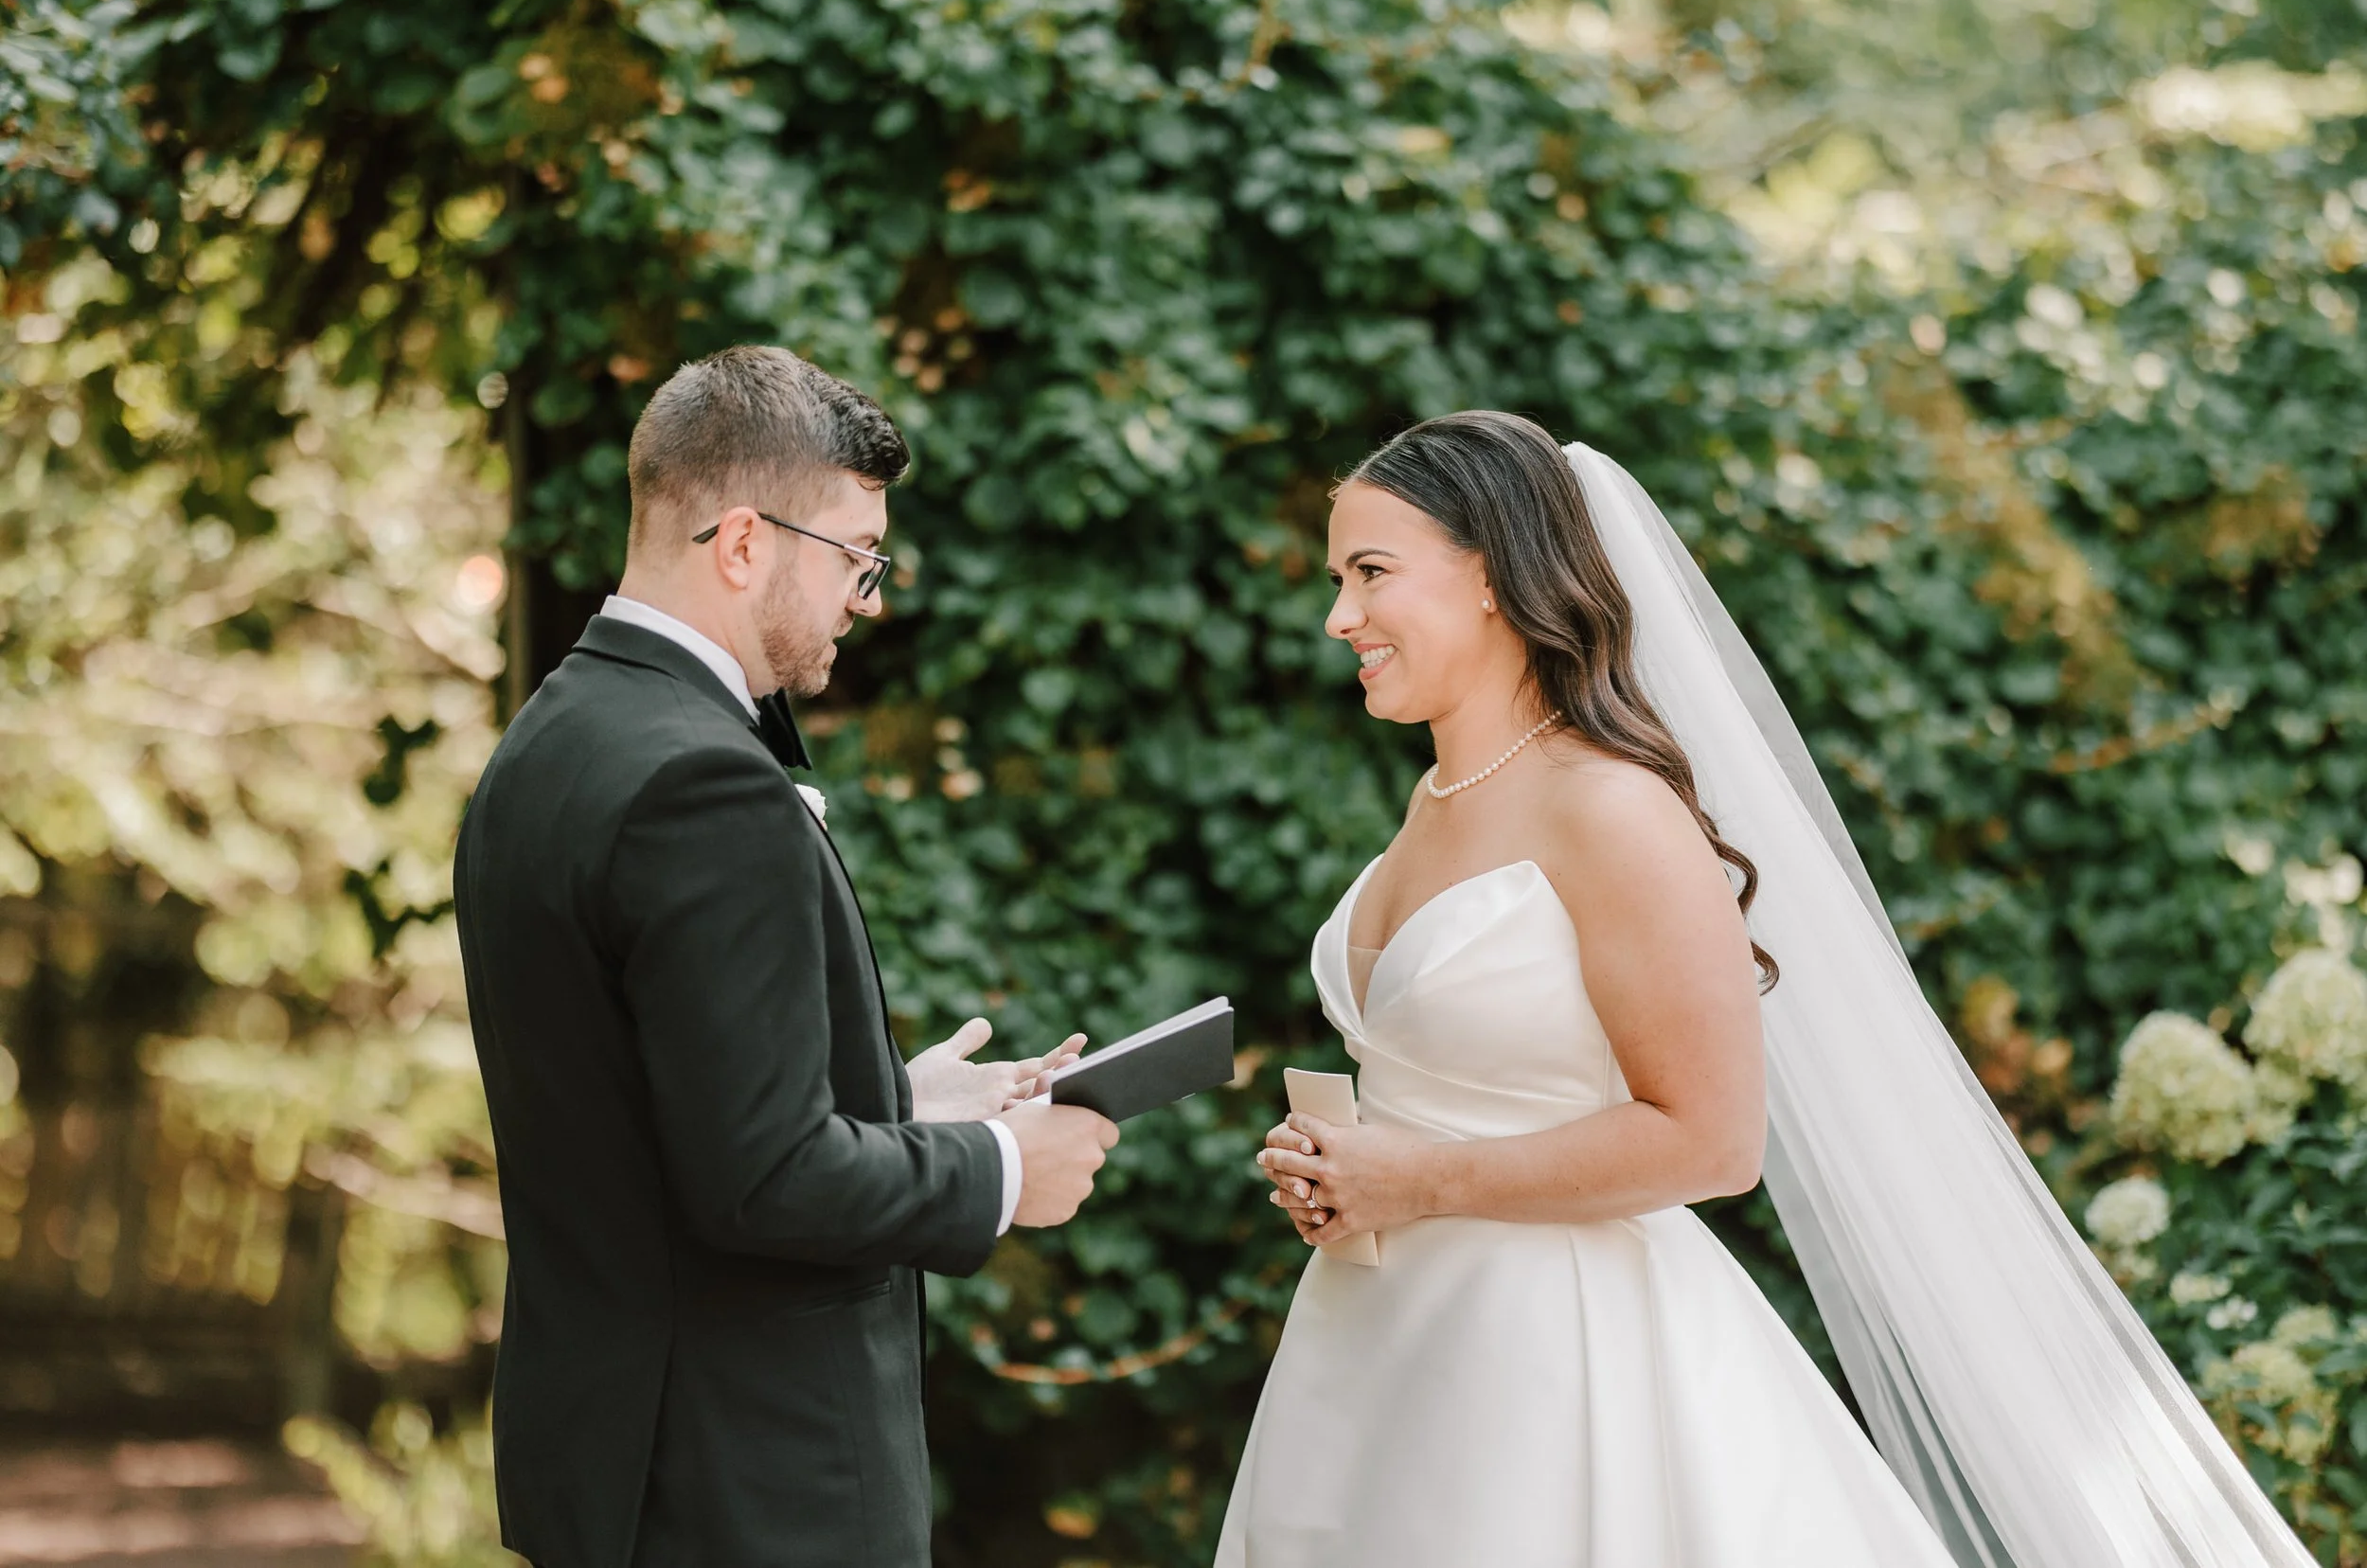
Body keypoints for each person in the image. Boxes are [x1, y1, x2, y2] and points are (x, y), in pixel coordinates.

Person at [1219, 413, 2314, 1567]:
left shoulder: (1611, 810)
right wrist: (1347, 1168)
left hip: (1556, 1360)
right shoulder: (1437, 797)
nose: (1339, 616)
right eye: (1340, 578)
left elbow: (1711, 1139)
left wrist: (1421, 1175)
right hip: (1375, 1342)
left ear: (1489, 572)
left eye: (1370, 574)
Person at [454, 346, 1119, 1568]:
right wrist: (998, 1167)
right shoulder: (704, 781)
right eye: (857, 560)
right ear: (745, 542)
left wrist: (899, 1100)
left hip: (614, 1461)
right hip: (752, 1481)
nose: (865, 601)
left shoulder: (548, 745)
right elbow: (761, 1180)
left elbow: (660, 1112)